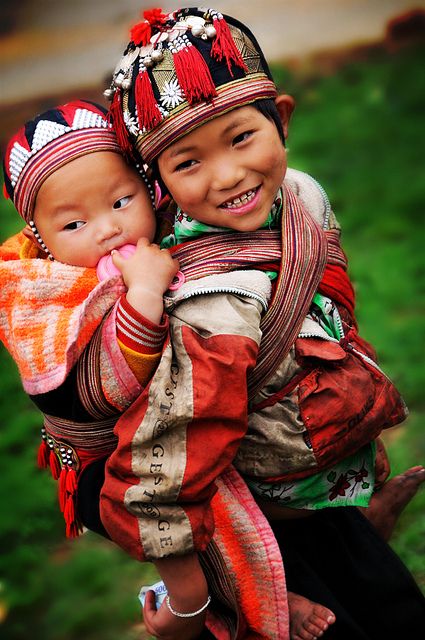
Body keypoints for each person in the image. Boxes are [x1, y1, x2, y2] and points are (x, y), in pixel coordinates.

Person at [94, 7, 425, 640]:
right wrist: (187, 595)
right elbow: (169, 455)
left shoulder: (300, 196)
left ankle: (362, 515)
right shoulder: (211, 302)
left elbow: (329, 323)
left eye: (242, 137)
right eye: (187, 162)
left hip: (326, 488)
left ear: (284, 120)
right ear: (158, 182)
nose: (228, 176)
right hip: (273, 539)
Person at [0, 99, 179, 537]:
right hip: (115, 467)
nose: (107, 228)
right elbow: (114, 387)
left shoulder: (179, 227)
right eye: (74, 225)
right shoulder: (35, 291)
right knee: (182, 530)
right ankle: (193, 597)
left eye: (121, 200)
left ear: (148, 187)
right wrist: (143, 292)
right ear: (40, 239)